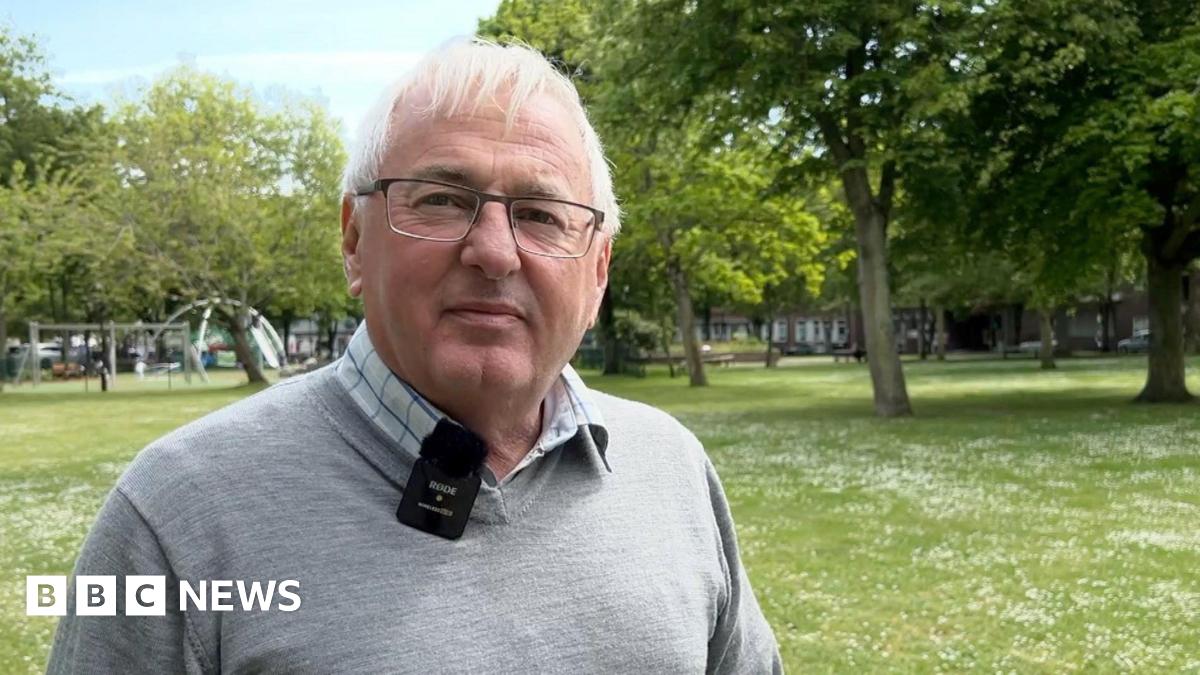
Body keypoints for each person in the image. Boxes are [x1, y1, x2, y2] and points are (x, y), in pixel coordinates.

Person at [48, 39, 782, 674]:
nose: (494, 252)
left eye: (540, 215)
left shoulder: (671, 470)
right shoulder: (177, 513)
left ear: (597, 272)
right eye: (440, 200)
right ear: (353, 240)